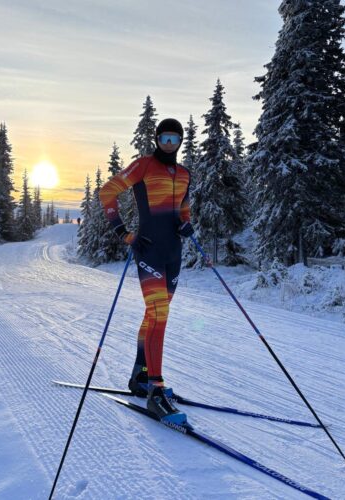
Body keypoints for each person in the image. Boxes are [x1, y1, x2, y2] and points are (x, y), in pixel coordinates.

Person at [99, 118, 194, 425]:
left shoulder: (184, 174)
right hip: (149, 250)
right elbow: (106, 192)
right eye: (164, 137)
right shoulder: (143, 166)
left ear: (180, 141)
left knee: (154, 316)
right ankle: (156, 388)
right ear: (157, 138)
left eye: (174, 138)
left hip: (173, 254)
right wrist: (123, 232)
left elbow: (183, 209)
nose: (169, 143)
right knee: (159, 315)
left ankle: (140, 376)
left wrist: (185, 223)